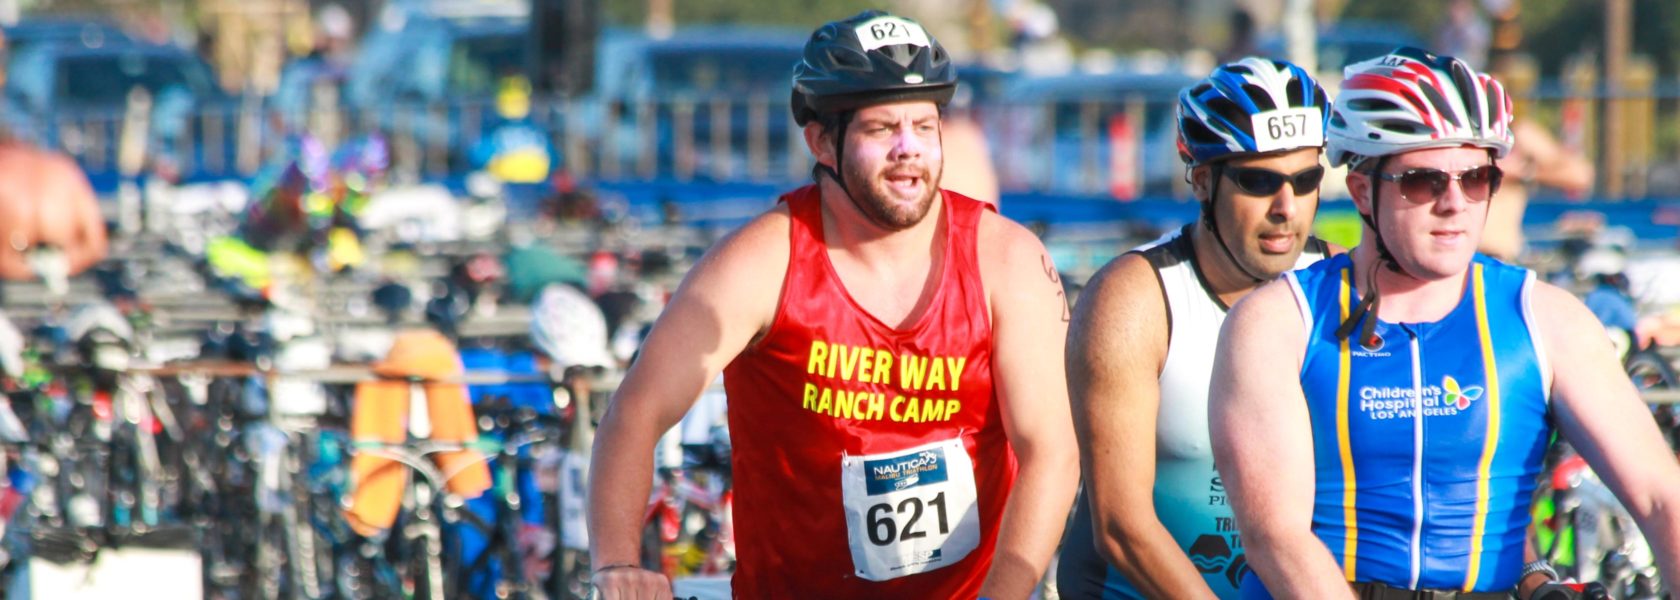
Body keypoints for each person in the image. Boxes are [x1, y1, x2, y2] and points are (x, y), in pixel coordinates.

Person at [586, 10, 1079, 599]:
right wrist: (616, 564)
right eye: (881, 129)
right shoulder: (760, 262)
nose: (908, 150)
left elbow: (1051, 450)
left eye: (925, 126)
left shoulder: (1008, 260)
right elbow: (635, 413)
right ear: (822, 140)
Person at [1208, 47, 1680, 599]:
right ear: (1363, 191)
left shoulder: (1547, 320)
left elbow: (1660, 497)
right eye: (1423, 182)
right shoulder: (1275, 322)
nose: (1454, 203)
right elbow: (1276, 537)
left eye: (1477, 177)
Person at [1057, 57, 1336, 599]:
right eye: (1259, 181)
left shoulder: (1339, 286)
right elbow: (1121, 527)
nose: (1287, 208)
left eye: (1306, 181)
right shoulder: (1134, 300)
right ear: (1204, 182)